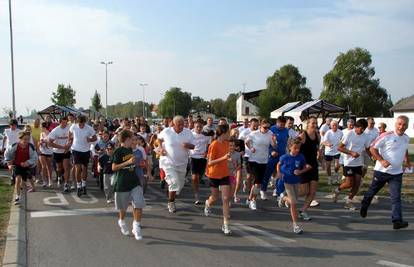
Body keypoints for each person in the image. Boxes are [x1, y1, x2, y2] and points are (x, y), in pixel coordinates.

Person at [360, 116, 412, 229]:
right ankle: (365, 203)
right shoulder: (386, 136)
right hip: (381, 172)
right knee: (372, 191)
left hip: (396, 173)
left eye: (404, 125)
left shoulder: (406, 138)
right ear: (395, 124)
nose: (401, 127)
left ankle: (397, 221)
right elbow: (372, 148)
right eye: (399, 124)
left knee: (396, 197)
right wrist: (381, 160)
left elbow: (404, 149)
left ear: (407, 126)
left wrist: (407, 160)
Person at [112, 130, 145, 240]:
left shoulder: (130, 149)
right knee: (123, 208)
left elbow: (133, 162)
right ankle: (121, 221)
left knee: (139, 203)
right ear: (126, 139)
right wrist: (128, 162)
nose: (134, 140)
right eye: (132, 138)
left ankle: (136, 226)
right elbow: (114, 168)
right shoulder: (118, 151)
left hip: (134, 181)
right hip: (122, 182)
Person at [158, 116, 195, 213]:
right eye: (179, 125)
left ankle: (171, 190)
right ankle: (171, 202)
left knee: (179, 185)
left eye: (183, 124)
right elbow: (159, 139)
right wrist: (160, 148)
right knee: (174, 183)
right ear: (173, 124)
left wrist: (188, 145)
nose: (181, 126)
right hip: (168, 162)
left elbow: (194, 145)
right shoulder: (167, 131)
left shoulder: (188, 132)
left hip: (182, 163)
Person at [277, 137, 312, 234]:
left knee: (295, 200)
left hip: (296, 182)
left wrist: (301, 171)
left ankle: (283, 198)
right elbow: (278, 164)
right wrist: (279, 172)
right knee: (293, 202)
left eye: (298, 148)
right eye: (295, 148)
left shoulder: (301, 157)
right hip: (287, 181)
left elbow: (305, 167)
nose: (297, 150)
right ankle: (295, 225)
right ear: (290, 147)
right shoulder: (285, 157)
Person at [333, 119, 370, 210]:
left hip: (358, 163)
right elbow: (340, 148)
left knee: (357, 183)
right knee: (349, 183)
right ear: (356, 127)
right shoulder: (349, 134)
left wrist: (373, 156)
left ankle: (348, 202)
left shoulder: (365, 136)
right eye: (360, 128)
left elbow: (368, 148)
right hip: (348, 163)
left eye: (364, 129)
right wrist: (351, 153)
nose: (362, 131)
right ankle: (338, 190)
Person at [204, 124, 232, 235]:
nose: (229, 134)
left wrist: (230, 162)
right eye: (228, 132)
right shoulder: (214, 144)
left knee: (225, 198)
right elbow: (210, 162)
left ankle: (225, 225)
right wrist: (223, 158)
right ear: (224, 133)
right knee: (214, 197)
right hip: (213, 174)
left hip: (224, 174)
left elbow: (227, 158)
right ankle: (208, 203)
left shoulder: (227, 143)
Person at [245, 119, 276, 210]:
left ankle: (250, 198)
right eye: (265, 127)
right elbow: (247, 142)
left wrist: (274, 140)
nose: (266, 129)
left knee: (257, 182)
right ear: (260, 126)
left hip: (264, 161)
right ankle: (253, 200)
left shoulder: (270, 133)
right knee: (258, 183)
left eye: (268, 127)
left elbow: (274, 146)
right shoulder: (254, 134)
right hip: (253, 160)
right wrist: (251, 148)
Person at [5, 131, 38, 205]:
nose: (26, 141)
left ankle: (33, 187)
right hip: (17, 165)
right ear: (20, 139)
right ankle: (17, 196)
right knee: (18, 179)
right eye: (25, 139)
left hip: (27, 165)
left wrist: (27, 162)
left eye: (28, 139)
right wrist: (9, 164)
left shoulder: (31, 147)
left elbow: (35, 158)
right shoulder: (14, 146)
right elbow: (7, 154)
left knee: (29, 177)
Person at [68, 115, 97, 196]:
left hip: (85, 150)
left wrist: (90, 139)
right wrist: (69, 140)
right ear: (77, 122)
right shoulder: (74, 126)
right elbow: (69, 133)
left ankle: (84, 185)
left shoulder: (89, 128)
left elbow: (95, 138)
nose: (81, 125)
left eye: (82, 124)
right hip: (76, 150)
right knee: (78, 168)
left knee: (84, 168)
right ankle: (79, 186)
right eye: (79, 124)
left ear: (85, 122)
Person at [298, 117, 320, 221]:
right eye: (313, 123)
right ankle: (285, 196)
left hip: (314, 166)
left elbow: (317, 149)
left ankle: (303, 211)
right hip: (304, 166)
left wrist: (320, 155)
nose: (315, 125)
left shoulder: (317, 136)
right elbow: (294, 148)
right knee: (303, 191)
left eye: (316, 123)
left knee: (312, 192)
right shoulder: (303, 135)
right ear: (308, 124)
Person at [262, 116, 288, 200]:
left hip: (282, 156)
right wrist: (271, 151)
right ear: (277, 122)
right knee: (267, 173)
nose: (282, 126)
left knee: (280, 174)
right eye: (280, 124)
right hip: (272, 156)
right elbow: (266, 142)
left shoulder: (286, 131)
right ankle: (263, 190)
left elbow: (286, 143)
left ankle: (278, 191)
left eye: (283, 125)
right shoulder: (271, 130)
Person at [189, 119, 211, 205]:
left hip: (202, 158)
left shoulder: (206, 135)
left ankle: (196, 187)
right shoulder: (190, 134)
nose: (199, 128)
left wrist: (206, 152)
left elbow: (209, 145)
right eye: (197, 126)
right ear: (194, 126)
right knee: (194, 177)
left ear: (203, 127)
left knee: (199, 177)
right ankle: (196, 195)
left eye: (200, 127)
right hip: (193, 157)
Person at [48, 116, 72, 192]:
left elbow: (73, 138)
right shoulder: (55, 131)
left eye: (66, 122)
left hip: (66, 151)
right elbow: (49, 143)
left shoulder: (69, 128)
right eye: (63, 122)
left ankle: (66, 184)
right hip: (57, 151)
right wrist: (62, 147)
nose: (65, 124)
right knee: (59, 168)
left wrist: (68, 146)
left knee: (66, 168)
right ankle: (59, 176)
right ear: (60, 122)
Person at [240, 118, 259, 194]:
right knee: (249, 175)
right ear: (250, 124)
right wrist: (241, 150)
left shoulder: (259, 132)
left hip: (257, 156)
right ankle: (249, 192)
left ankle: (248, 184)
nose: (255, 127)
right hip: (247, 155)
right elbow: (240, 142)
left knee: (255, 176)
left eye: (257, 126)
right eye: (254, 126)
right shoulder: (245, 132)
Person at [321, 120, 343, 185]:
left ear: (338, 126)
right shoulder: (328, 132)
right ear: (330, 126)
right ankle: (329, 178)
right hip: (328, 152)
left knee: (337, 165)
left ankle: (335, 175)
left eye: (335, 125)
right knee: (328, 166)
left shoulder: (340, 132)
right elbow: (323, 142)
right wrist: (328, 144)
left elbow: (343, 140)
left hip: (337, 151)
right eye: (333, 125)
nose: (334, 126)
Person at [39, 122, 53, 187]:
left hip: (49, 152)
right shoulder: (41, 133)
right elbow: (40, 142)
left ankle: (50, 180)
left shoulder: (50, 134)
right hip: (42, 152)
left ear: (44, 127)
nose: (40, 128)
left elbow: (51, 143)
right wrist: (40, 143)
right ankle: (44, 181)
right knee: (43, 167)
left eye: (41, 127)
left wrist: (45, 141)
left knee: (49, 167)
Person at [227, 138, 241, 207]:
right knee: (227, 189)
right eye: (230, 145)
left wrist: (236, 168)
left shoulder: (237, 154)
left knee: (232, 188)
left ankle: (229, 200)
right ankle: (226, 201)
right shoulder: (225, 153)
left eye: (233, 145)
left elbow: (239, 165)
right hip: (224, 174)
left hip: (232, 173)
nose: (232, 147)